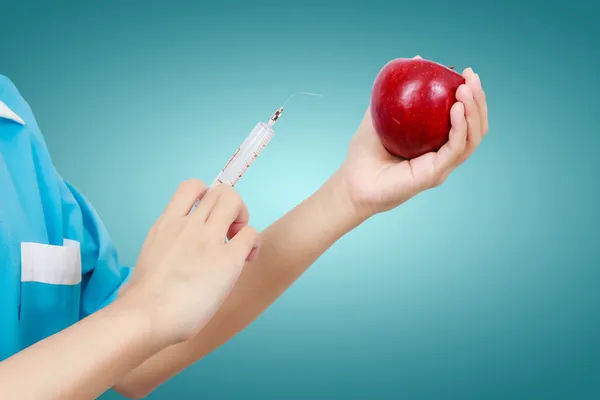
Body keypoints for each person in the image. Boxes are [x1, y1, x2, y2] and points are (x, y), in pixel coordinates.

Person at [0, 59, 488, 399]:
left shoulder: (12, 121)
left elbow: (129, 359)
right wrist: (144, 313)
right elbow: (139, 322)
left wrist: (348, 196)